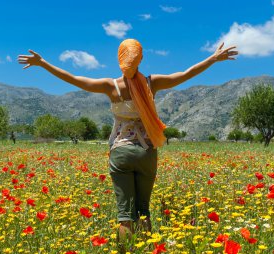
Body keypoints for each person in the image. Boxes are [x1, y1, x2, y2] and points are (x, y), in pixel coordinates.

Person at [18, 39, 237, 252]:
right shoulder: (153, 82)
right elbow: (184, 75)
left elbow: (74, 78)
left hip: (120, 153)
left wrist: (43, 63)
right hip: (146, 152)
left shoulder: (110, 86)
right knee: (143, 210)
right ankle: (148, 249)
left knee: (125, 214)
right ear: (140, 58)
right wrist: (213, 59)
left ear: (119, 59)